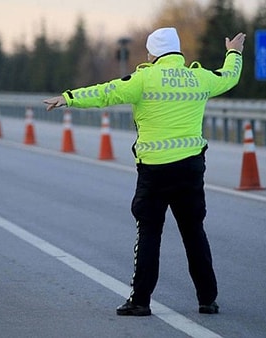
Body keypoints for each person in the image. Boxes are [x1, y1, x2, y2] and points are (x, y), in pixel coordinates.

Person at [44, 27, 245, 316]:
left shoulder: (143, 78)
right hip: (190, 168)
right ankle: (207, 299)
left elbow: (106, 92)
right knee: (193, 232)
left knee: (150, 233)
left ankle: (140, 301)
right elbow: (229, 77)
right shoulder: (198, 77)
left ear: (153, 53)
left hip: (155, 172)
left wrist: (69, 98)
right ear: (176, 50)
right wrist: (233, 53)